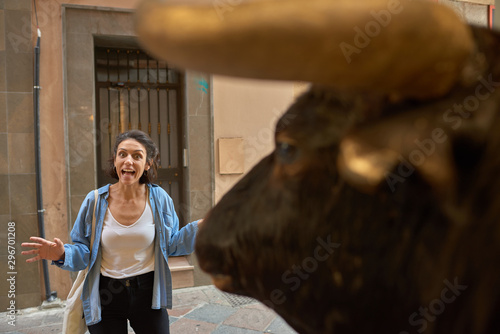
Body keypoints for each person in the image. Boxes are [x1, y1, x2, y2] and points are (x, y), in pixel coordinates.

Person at [21, 130, 202, 334]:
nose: (128, 161)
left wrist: (200, 229)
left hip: (148, 295)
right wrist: (62, 255)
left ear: (148, 164)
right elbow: (83, 251)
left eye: (137, 156)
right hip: (105, 295)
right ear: (115, 160)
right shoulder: (95, 200)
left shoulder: (159, 199)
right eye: (122, 154)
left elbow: (171, 245)